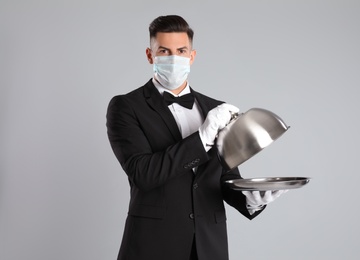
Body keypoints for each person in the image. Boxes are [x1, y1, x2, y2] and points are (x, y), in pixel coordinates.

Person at [106, 15, 287, 260]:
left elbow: (225, 177)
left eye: (181, 51)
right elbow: (143, 174)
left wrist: (252, 200)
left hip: (208, 246)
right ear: (150, 55)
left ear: (192, 56)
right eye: (164, 51)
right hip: (153, 245)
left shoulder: (216, 108)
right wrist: (202, 137)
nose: (174, 58)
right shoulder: (126, 106)